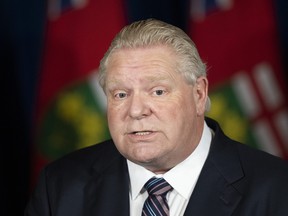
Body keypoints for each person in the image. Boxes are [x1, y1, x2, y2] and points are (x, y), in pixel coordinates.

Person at [25, 18, 288, 216]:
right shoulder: (60, 187)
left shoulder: (278, 189)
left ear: (198, 94)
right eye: (120, 94)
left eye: (158, 91)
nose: (137, 110)